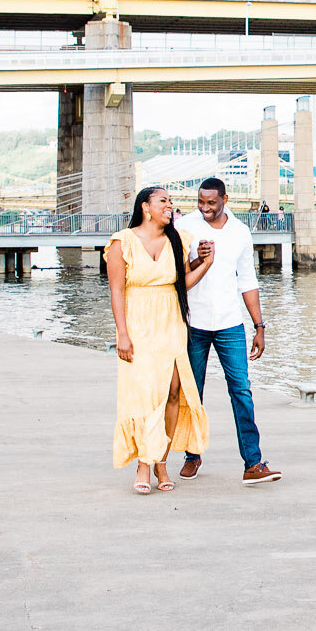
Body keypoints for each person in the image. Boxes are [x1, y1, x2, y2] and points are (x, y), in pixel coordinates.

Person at [105, 186, 212, 495]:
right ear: (145, 207)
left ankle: (161, 462)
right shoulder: (121, 243)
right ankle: (143, 463)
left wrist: (205, 264)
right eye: (163, 201)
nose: (170, 206)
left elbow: (181, 285)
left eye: (171, 202)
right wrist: (122, 333)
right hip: (137, 325)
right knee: (142, 394)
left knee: (173, 393)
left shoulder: (177, 241)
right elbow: (116, 291)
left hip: (171, 322)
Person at [175, 177, 281, 485]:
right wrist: (198, 256)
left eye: (211, 203)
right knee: (192, 391)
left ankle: (253, 463)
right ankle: (192, 456)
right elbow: (178, 274)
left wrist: (259, 327)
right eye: (201, 202)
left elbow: (247, 281)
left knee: (242, 391)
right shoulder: (186, 227)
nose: (205, 208)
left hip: (230, 324)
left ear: (225, 200)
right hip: (194, 322)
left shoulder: (240, 232)